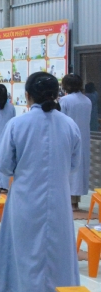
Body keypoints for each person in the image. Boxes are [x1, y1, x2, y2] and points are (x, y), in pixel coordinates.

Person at [0, 72, 81, 292]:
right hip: (60, 204)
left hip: (25, 201)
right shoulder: (69, 125)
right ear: (56, 94)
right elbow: (73, 166)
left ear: (27, 95)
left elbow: (5, 165)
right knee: (56, 258)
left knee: (27, 256)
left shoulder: (18, 125)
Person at [59, 74, 92, 209]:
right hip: (84, 138)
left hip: (68, 137)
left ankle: (70, 202)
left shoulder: (65, 101)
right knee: (80, 169)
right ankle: (75, 201)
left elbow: (60, 120)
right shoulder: (87, 100)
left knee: (69, 168)